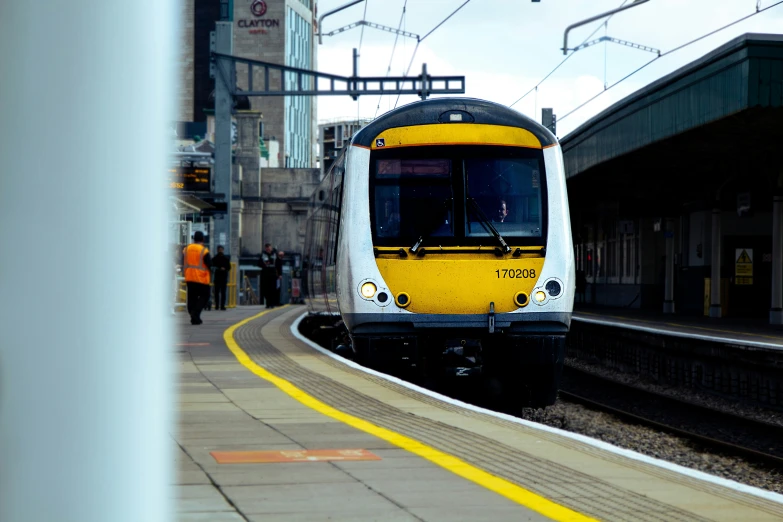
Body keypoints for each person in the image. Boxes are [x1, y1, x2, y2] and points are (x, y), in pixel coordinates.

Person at [182, 231, 211, 325]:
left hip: (189, 277)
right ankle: (195, 313)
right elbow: (209, 264)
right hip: (201, 278)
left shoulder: (186, 249)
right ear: (203, 239)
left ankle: (194, 317)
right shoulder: (204, 250)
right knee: (204, 296)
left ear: (194, 238)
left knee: (191, 297)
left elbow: (182, 260)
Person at [258, 243, 277, 308]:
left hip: (273, 274)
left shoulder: (274, 254)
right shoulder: (263, 255)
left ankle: (272, 303)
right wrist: (264, 265)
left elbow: (278, 263)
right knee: (266, 290)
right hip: (265, 274)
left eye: (269, 248)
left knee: (272, 289)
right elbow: (259, 263)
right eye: (267, 248)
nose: (268, 249)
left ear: (271, 248)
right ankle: (268, 303)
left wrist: (278, 273)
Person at [212, 245, 231, 310]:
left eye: (221, 249)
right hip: (217, 277)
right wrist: (219, 268)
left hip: (223, 277)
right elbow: (212, 267)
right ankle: (217, 305)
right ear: (217, 250)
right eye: (219, 249)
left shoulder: (226, 259)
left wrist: (224, 269)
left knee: (223, 292)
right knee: (216, 292)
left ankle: (222, 305)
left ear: (223, 250)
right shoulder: (214, 259)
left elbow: (229, 267)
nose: (220, 251)